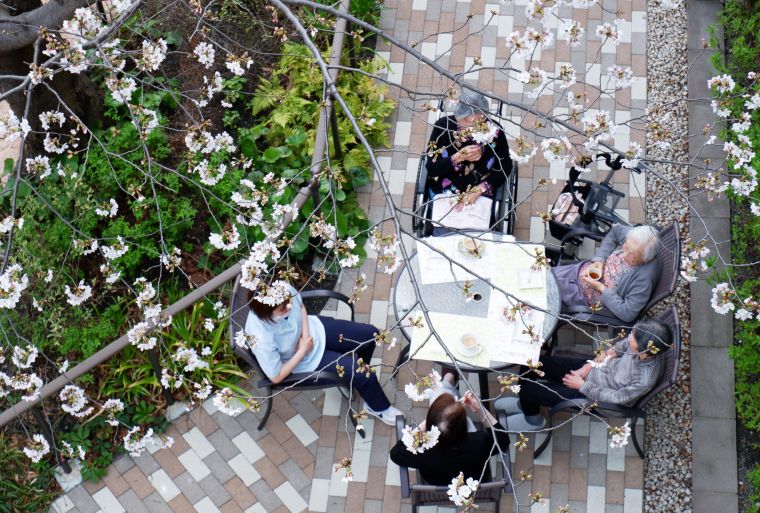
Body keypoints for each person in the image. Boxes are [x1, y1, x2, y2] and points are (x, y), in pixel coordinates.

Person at [245, 281, 401, 425]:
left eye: (288, 303)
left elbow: (300, 306)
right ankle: (378, 407)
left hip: (314, 330)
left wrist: (306, 337)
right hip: (305, 360)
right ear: (267, 313)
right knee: (364, 375)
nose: (288, 308)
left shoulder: (279, 289)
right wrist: (303, 350)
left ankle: (356, 380)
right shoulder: (261, 338)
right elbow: (276, 376)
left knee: (371, 335)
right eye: (282, 309)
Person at [495, 318, 672, 432]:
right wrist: (588, 367)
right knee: (534, 362)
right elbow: (616, 349)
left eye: (633, 337)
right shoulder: (641, 343)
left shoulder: (644, 379)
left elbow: (616, 398)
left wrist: (581, 385)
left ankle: (533, 420)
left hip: (594, 395)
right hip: (594, 370)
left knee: (530, 391)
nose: (629, 336)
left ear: (643, 349)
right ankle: (525, 403)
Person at [389, 370, 510, 485]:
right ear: (464, 426)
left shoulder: (423, 451)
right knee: (441, 392)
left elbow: (395, 454)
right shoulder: (479, 442)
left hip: (436, 482)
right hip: (472, 482)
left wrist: (429, 420)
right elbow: (503, 440)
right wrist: (480, 410)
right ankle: (449, 380)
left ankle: (448, 379)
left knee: (439, 392)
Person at [425, 90, 513, 234]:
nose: (467, 125)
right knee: (442, 233)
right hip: (445, 190)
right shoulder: (442, 127)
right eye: (463, 120)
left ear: (483, 116)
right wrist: (457, 158)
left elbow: (505, 165)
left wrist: (481, 188)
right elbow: (431, 168)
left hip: (479, 190)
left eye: (473, 120)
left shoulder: (495, 132)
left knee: (478, 236)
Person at [552, 224, 661, 323]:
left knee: (548, 291)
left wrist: (601, 288)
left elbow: (628, 313)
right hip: (581, 269)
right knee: (546, 274)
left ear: (645, 260)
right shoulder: (637, 239)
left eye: (632, 255)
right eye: (626, 246)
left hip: (582, 295)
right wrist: (599, 260)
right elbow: (616, 231)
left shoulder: (643, 280)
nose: (624, 254)